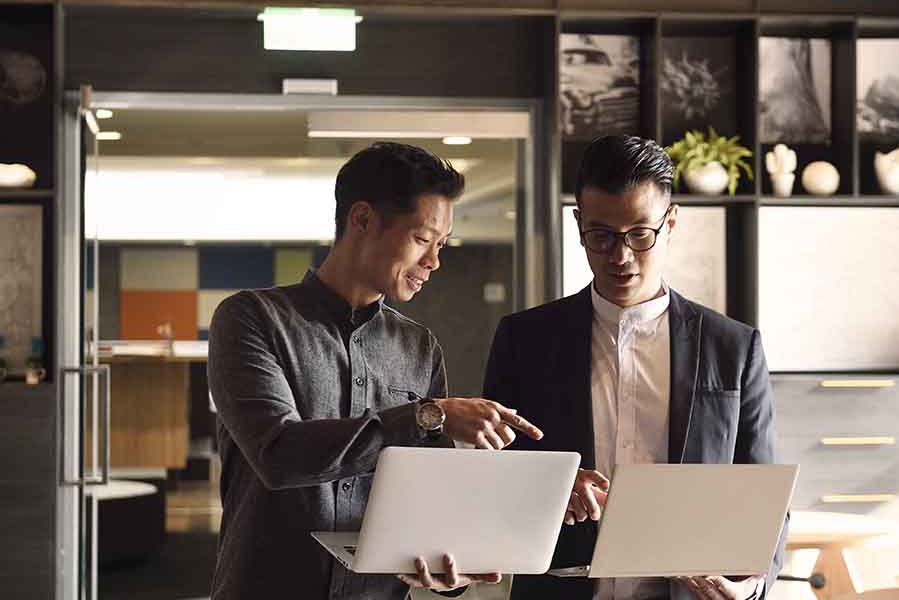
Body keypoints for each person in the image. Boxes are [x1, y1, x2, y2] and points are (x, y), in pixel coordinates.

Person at [208, 142, 543, 600]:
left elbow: (430, 503)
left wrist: (452, 571)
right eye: (423, 239)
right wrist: (427, 416)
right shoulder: (251, 318)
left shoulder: (420, 347)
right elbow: (279, 455)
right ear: (362, 219)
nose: (434, 261)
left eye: (441, 245)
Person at [483, 135, 786, 600]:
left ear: (671, 223)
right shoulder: (524, 340)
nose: (620, 257)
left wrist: (748, 586)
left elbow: (766, 497)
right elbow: (490, 477)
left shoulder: (734, 347)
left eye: (640, 235)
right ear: (578, 223)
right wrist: (550, 489)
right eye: (601, 236)